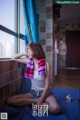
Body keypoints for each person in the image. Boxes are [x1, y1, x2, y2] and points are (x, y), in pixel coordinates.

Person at [7, 42, 61, 114]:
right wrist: (25, 53)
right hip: (33, 93)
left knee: (55, 109)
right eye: (27, 50)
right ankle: (35, 103)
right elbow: (13, 57)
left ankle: (36, 105)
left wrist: (41, 99)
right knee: (10, 100)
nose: (28, 52)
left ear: (36, 50)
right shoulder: (29, 62)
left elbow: (47, 85)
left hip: (45, 93)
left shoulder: (45, 64)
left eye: (30, 50)